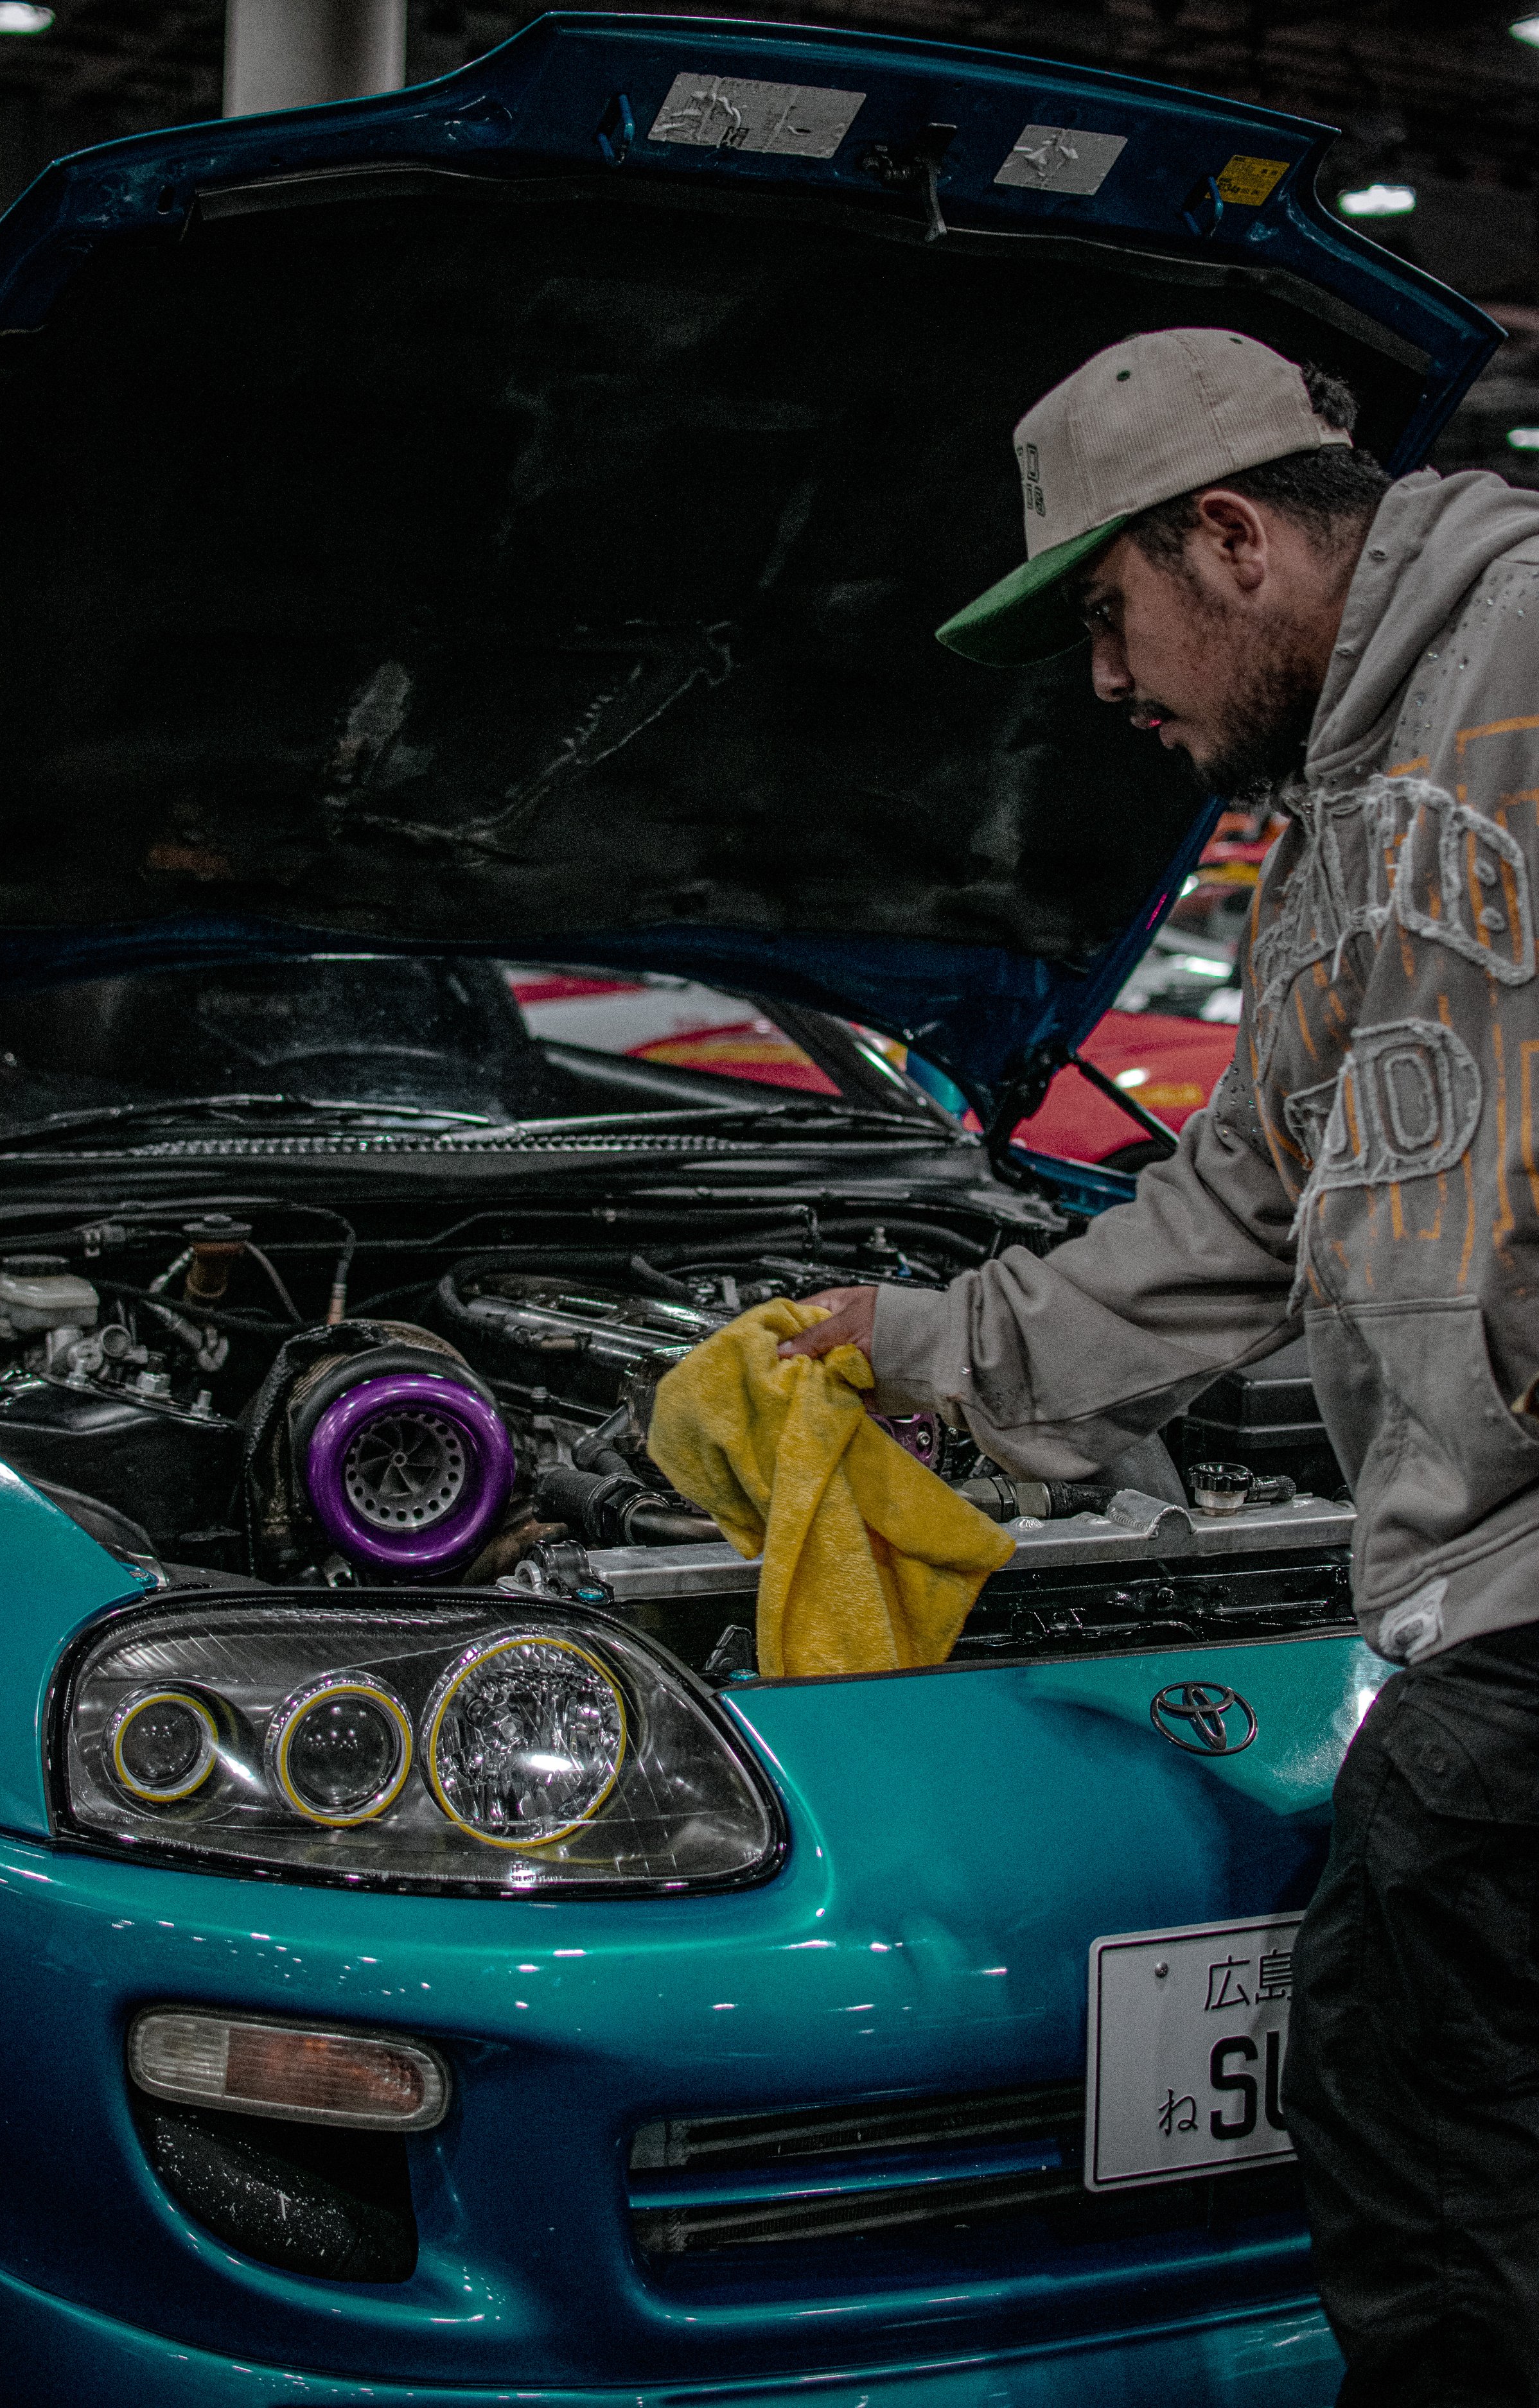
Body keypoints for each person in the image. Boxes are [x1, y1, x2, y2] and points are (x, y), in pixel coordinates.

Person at [777, 326, 1539, 2406]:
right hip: (1463, 1607)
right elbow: (1230, 1222)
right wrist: (918, 1347)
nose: (1102, 687)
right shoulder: (1331, 850)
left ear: (1228, 538)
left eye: (1108, 617)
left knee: (1435, 2191)